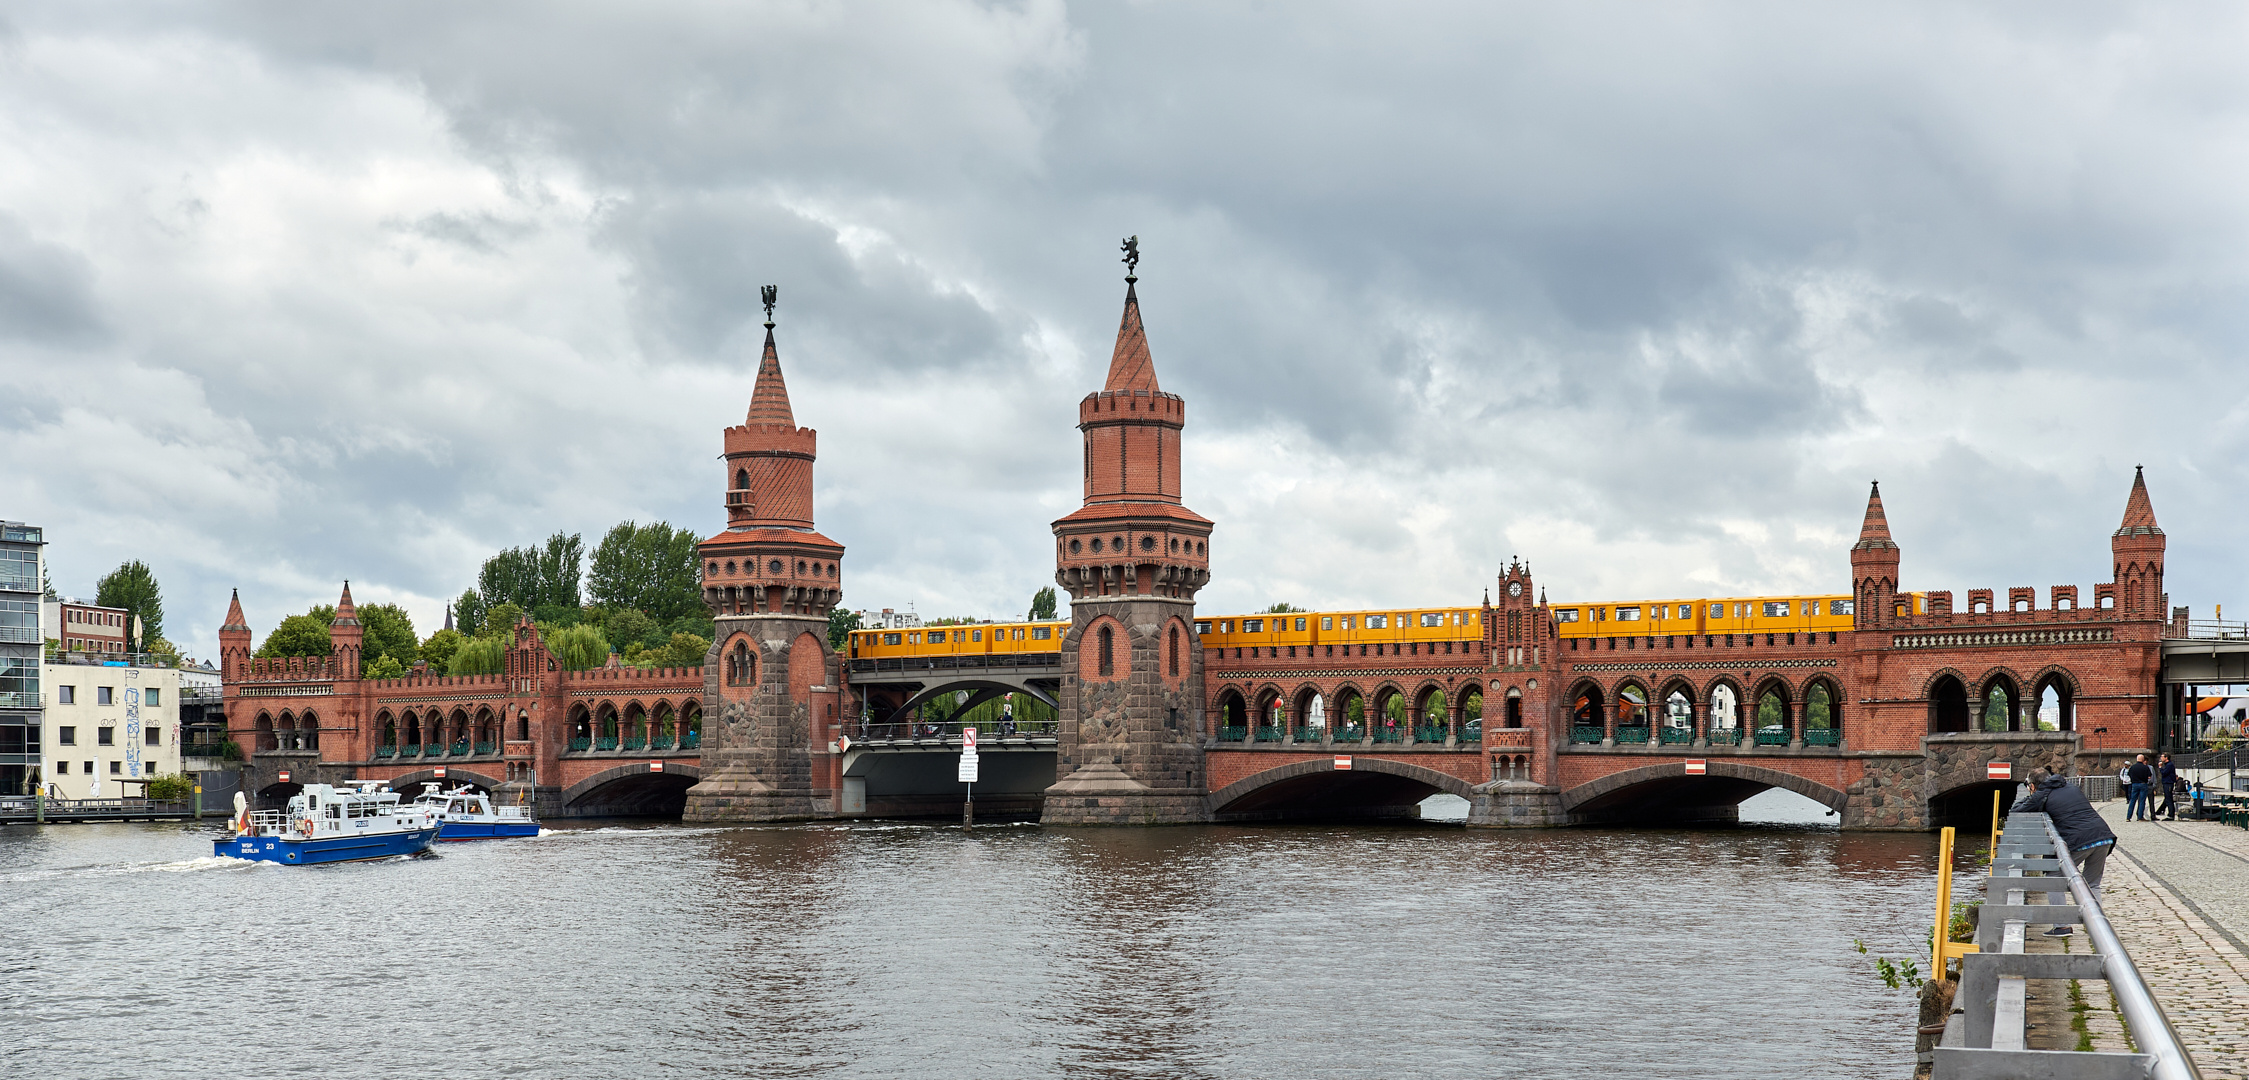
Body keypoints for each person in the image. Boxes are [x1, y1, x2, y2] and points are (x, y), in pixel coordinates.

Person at [2011, 770, 2119, 935]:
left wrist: (2032, 796)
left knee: (2053, 876)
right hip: (2103, 836)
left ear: (2032, 785)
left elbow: (2016, 810)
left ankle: (2061, 925)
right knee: (2093, 883)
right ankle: (2099, 927)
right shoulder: (2070, 787)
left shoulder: (2042, 794)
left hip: (2081, 840)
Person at [2126, 755, 2155, 820]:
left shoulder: (2132, 767)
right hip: (2143, 784)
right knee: (2142, 801)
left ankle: (2128, 817)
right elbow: (2149, 776)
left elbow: (2129, 774)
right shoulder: (2145, 767)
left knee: (2132, 800)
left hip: (2134, 784)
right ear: (2143, 759)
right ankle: (2140, 816)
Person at [2156, 753, 2179, 821]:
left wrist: (2160, 767)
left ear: (2166, 758)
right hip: (2167, 782)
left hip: (2168, 783)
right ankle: (2161, 811)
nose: (2161, 758)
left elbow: (2164, 773)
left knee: (2169, 799)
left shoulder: (2169, 765)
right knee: (2167, 798)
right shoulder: (2167, 765)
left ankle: (2171, 815)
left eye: (2162, 757)